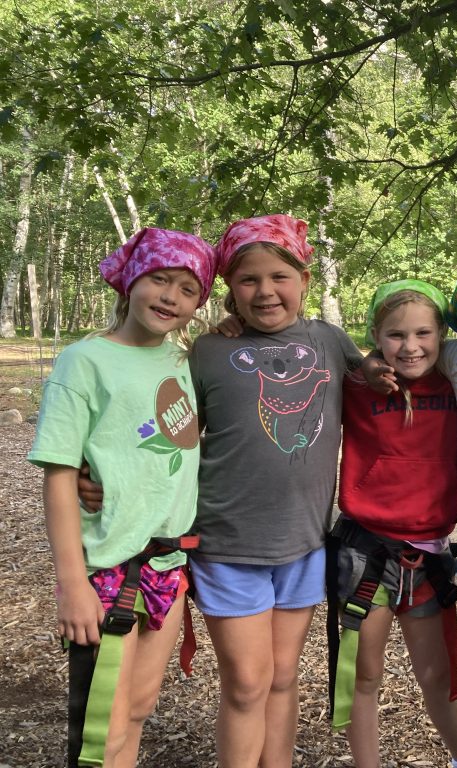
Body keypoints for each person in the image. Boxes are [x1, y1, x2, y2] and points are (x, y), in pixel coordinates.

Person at [29, 228, 216, 767]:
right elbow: (60, 473)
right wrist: (71, 584)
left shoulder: (182, 362)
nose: (170, 297)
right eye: (160, 279)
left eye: (187, 289)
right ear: (131, 280)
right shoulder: (84, 361)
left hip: (169, 564)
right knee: (99, 732)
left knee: (137, 709)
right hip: (108, 570)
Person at [188, 215, 364, 767]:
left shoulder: (331, 342)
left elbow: (394, 375)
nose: (265, 291)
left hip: (305, 544)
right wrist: (94, 475)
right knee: (246, 683)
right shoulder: (207, 351)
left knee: (284, 677)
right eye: (248, 280)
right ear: (229, 290)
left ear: (305, 280)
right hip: (228, 544)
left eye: (279, 277)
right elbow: (165, 435)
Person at [329, 279, 457, 768]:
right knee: (363, 674)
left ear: (443, 335)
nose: (410, 347)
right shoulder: (355, 384)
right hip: (367, 552)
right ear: (375, 336)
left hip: (429, 552)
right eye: (395, 335)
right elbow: (315, 346)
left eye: (423, 333)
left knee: (437, 671)